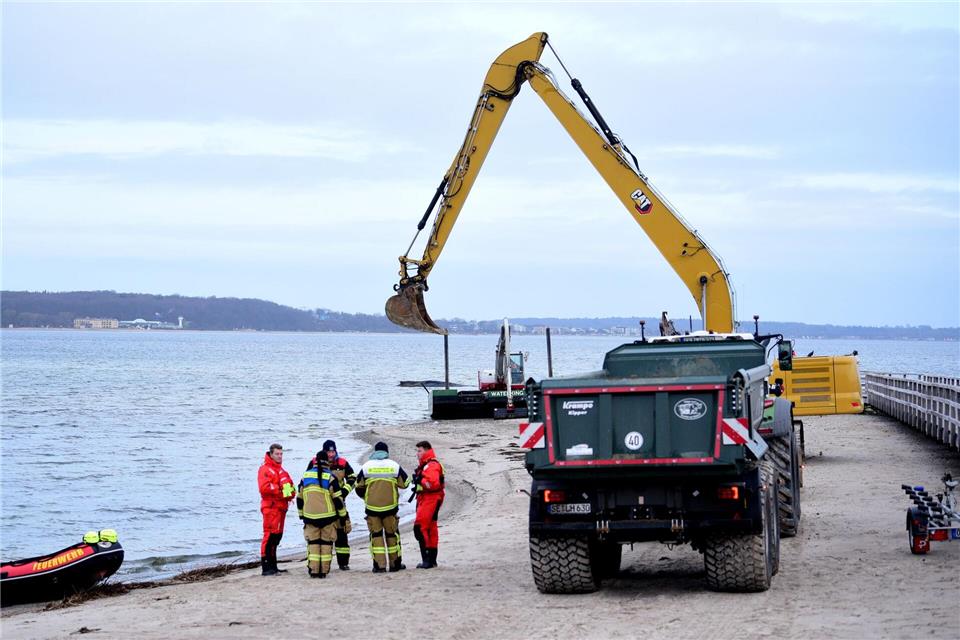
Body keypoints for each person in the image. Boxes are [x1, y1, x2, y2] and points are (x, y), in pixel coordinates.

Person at [355, 441, 409, 573]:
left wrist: (367, 497)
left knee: (376, 536)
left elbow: (357, 487)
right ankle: (395, 564)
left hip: (372, 508)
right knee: (392, 535)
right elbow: (406, 483)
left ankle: (379, 566)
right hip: (390, 508)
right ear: (387, 452)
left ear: (375, 451)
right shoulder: (394, 466)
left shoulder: (366, 467)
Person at [297, 452, 347, 578]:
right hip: (328, 517)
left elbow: (299, 499)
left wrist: (301, 515)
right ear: (326, 462)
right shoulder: (330, 478)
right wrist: (342, 517)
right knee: (326, 544)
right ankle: (323, 572)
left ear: (315, 461)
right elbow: (338, 500)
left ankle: (314, 571)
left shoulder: (305, 477)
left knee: (313, 544)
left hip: (310, 517)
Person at [257, 443, 296, 576]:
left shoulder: (282, 471)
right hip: (271, 507)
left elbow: (291, 490)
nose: (280, 456)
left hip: (281, 508)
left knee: (277, 537)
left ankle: (274, 566)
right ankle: (266, 568)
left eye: (281, 454)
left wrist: (285, 492)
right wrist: (280, 491)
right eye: (277, 454)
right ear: (271, 454)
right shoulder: (265, 469)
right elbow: (264, 488)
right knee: (269, 536)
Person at [320, 440, 357, 570]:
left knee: (342, 532)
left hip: (339, 502)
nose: (330, 454)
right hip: (323, 504)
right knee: (325, 534)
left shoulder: (342, 463)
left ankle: (343, 563)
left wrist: (344, 492)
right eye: (328, 452)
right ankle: (324, 563)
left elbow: (353, 478)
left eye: (332, 451)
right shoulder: (315, 462)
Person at [412, 440, 445, 569]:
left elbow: (432, 484)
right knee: (431, 528)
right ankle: (431, 560)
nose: (417, 454)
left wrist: (420, 479)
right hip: (427, 498)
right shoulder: (427, 465)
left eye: (419, 451)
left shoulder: (431, 465)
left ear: (426, 450)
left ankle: (427, 560)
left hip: (430, 499)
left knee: (420, 528)